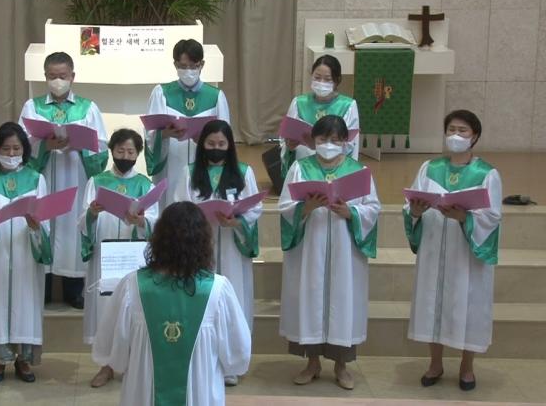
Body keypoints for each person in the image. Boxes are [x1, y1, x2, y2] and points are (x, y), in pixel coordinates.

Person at [92, 202, 251, 406]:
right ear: (203, 242)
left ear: (158, 240)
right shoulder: (218, 290)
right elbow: (238, 356)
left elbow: (111, 352)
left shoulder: (132, 286)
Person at [278, 115, 380, 390]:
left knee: (342, 303)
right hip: (310, 249)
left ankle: (341, 366)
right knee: (310, 300)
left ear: (345, 141)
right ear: (314, 140)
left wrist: (351, 212)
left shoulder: (359, 171)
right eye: (323, 139)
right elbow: (285, 206)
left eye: (335, 140)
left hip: (346, 253)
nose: (329, 144)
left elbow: (373, 208)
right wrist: (306, 208)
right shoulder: (300, 168)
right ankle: (312, 363)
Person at [404, 110, 501, 391]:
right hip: (434, 247)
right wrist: (414, 212)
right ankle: (435, 363)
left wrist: (464, 218)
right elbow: (411, 203)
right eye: (451, 130)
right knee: (433, 303)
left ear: (475, 136)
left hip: (466, 255)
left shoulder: (486, 174)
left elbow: (492, 216)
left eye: (463, 131)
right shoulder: (429, 168)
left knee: (468, 307)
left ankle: (467, 367)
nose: (456, 135)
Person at [174, 119, 261, 387]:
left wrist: (237, 221)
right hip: (200, 246)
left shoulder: (244, 172)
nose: (216, 148)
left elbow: (255, 208)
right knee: (202, 303)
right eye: (211, 143)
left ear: (230, 145)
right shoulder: (190, 172)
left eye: (222, 144)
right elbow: (179, 206)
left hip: (233, 247)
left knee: (233, 302)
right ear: (202, 145)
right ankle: (200, 360)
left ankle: (231, 364)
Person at [18, 52, 109, 309]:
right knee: (44, 223)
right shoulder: (32, 107)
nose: (57, 81)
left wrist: (80, 145)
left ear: (72, 76)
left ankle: (73, 289)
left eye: (63, 76)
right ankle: (43, 287)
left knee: (72, 228)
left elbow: (101, 146)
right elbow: (20, 144)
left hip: (75, 176)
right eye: (52, 76)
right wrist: (44, 146)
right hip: (44, 178)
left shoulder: (88, 108)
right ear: (45, 76)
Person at [0, 122, 52, 383]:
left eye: (17, 148)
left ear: (25, 150)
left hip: (27, 255)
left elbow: (46, 221)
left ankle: (23, 360)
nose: (12, 153)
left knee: (26, 305)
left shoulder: (37, 179)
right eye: (6, 148)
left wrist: (36, 226)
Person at [78, 128, 159, 388]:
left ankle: (133, 365)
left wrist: (142, 221)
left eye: (131, 151)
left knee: (133, 309)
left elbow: (156, 221)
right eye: (120, 150)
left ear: (138, 154)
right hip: (105, 256)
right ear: (112, 150)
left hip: (133, 257)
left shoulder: (146, 185)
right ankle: (106, 366)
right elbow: (82, 221)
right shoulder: (96, 182)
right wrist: (92, 213)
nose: (125, 156)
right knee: (105, 310)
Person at [145, 39, 230, 210]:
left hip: (204, 164)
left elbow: (226, 136)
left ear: (202, 65)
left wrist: (207, 141)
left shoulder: (215, 96)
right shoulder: (162, 93)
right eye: (183, 66)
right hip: (171, 164)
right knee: (170, 208)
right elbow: (150, 134)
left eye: (193, 66)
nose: (188, 71)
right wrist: (164, 134)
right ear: (175, 65)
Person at [279, 55, 360, 188]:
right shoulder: (299, 103)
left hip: (335, 166)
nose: (321, 82)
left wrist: (319, 144)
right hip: (305, 167)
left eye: (327, 79)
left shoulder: (348, 105)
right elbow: (286, 138)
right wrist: (289, 146)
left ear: (337, 80)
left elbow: (351, 144)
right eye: (317, 78)